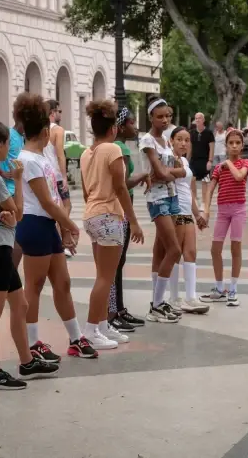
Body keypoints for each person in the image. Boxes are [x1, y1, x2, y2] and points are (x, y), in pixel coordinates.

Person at [0, 121, 59, 390]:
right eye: (7, 143)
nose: (10, 147)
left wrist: (10, 213)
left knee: (20, 305)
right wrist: (18, 179)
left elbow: (12, 216)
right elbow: (19, 213)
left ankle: (27, 362)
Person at [14, 94, 97, 360]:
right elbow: (47, 202)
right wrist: (71, 225)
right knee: (34, 285)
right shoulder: (28, 160)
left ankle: (75, 338)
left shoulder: (42, 157)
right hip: (34, 223)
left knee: (63, 282)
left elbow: (54, 199)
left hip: (48, 224)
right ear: (45, 131)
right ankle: (32, 342)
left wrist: (63, 229)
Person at [80, 100, 144, 349]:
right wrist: (134, 222)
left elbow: (87, 191)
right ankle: (91, 330)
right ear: (113, 129)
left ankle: (103, 326)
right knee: (105, 278)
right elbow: (120, 187)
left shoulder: (87, 153)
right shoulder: (113, 150)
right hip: (109, 216)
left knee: (102, 276)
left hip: (92, 215)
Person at [140, 98, 184, 324]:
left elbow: (179, 170)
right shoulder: (147, 140)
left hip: (172, 195)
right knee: (174, 250)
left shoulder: (166, 140)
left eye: (167, 115)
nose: (165, 119)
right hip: (158, 199)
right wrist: (172, 171)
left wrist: (171, 172)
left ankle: (157, 303)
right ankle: (156, 305)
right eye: (160, 116)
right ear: (150, 117)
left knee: (160, 250)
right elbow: (161, 171)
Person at [200, 130, 248, 307]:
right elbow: (210, 189)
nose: (234, 146)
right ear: (226, 145)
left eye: (238, 143)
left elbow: (239, 176)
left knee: (235, 247)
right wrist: (205, 210)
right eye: (231, 143)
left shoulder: (245, 162)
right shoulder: (218, 168)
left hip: (238, 209)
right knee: (215, 249)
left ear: (242, 145)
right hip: (222, 211)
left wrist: (227, 163)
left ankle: (233, 288)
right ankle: (220, 288)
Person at [109, 107, 149, 331]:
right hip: (123, 206)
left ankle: (119, 308)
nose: (135, 127)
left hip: (122, 205)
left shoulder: (118, 145)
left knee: (119, 261)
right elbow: (123, 184)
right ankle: (114, 311)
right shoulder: (121, 147)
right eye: (132, 123)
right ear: (122, 126)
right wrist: (143, 175)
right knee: (117, 261)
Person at [168, 127, 210, 314]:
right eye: (179, 139)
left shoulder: (185, 161)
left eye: (187, 140)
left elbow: (190, 192)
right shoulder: (168, 159)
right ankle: (174, 297)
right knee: (176, 254)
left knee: (191, 252)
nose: (183, 143)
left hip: (187, 211)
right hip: (175, 211)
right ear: (172, 140)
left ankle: (190, 297)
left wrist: (198, 214)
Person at [0, 102, 26, 269]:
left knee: (17, 236)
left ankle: (10, 274)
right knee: (14, 236)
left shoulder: (22, 137)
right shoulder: (9, 134)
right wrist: (2, 172)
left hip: (17, 190)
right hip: (7, 190)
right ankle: (9, 273)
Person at [44, 99, 71, 218]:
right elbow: (60, 155)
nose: (60, 114)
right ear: (53, 112)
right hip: (56, 175)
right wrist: (64, 177)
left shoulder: (41, 129)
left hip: (44, 173)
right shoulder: (58, 130)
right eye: (59, 111)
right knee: (66, 205)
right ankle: (61, 231)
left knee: (51, 206)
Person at [189, 112, 215, 206]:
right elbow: (190, 148)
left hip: (205, 160)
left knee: (205, 181)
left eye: (199, 118)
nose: (197, 120)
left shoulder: (209, 133)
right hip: (194, 160)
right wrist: (187, 161)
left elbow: (212, 147)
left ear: (203, 120)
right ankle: (195, 199)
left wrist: (210, 160)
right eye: (196, 118)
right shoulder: (192, 133)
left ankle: (204, 201)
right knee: (192, 179)